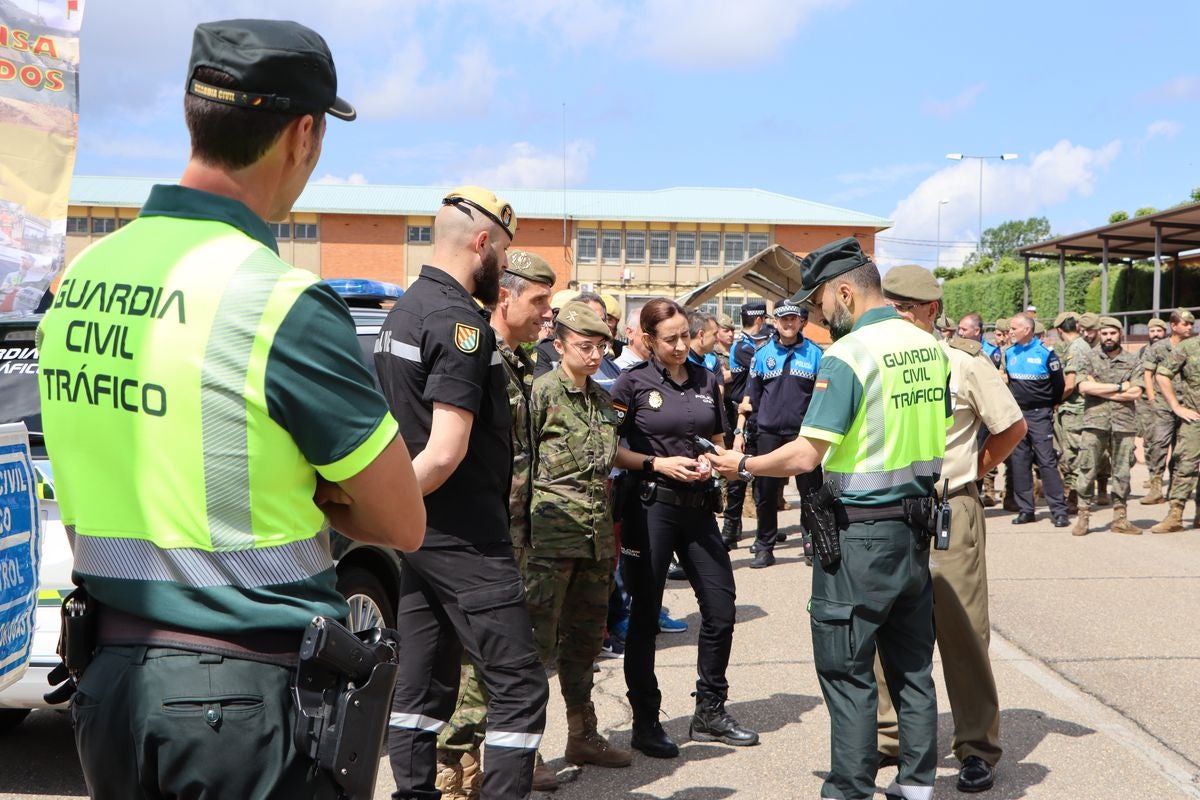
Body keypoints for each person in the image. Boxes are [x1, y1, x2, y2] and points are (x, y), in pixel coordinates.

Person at [37, 19, 425, 798]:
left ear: (193, 114)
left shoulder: (80, 280)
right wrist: (327, 496)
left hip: (109, 685)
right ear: (304, 135)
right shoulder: (278, 299)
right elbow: (401, 521)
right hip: (243, 705)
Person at [710, 238, 952, 800]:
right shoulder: (928, 346)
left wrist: (740, 463)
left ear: (846, 290)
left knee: (847, 672)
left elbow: (805, 454)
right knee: (913, 668)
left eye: (821, 302)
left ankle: (849, 788)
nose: (819, 314)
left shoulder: (848, 355)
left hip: (860, 535)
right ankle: (916, 786)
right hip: (913, 530)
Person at [377, 186, 549, 800]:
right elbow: (445, 451)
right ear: (483, 243)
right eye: (502, 251)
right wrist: (382, 508)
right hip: (464, 537)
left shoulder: (403, 311)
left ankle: (413, 793)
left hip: (422, 535)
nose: (502, 265)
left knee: (423, 684)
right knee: (520, 688)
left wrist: (392, 513)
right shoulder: (459, 323)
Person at [875, 265, 1026, 794]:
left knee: (961, 630)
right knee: (884, 625)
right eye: (887, 307)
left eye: (902, 310)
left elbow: (1011, 427)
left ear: (930, 312)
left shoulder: (962, 364)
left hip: (946, 510)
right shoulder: (875, 356)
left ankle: (976, 747)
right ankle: (889, 737)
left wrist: (970, 474)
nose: (891, 318)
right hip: (887, 509)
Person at [611, 298, 758, 759]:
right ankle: (646, 720)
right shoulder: (630, 383)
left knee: (720, 607)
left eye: (683, 336)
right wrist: (657, 462)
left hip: (697, 507)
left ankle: (710, 709)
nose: (678, 346)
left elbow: (714, 442)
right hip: (649, 507)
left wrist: (715, 464)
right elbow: (612, 450)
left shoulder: (706, 380)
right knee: (645, 617)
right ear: (648, 339)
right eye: (668, 338)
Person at [433, 250, 555, 799]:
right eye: (539, 301)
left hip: (516, 532)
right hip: (477, 534)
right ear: (504, 296)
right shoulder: (476, 354)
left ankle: (490, 756)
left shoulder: (524, 362)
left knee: (500, 660)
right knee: (474, 658)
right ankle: (454, 766)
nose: (547, 314)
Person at [525, 301, 633, 774]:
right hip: (547, 544)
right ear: (559, 344)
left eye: (600, 347)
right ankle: (522, 754)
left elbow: (606, 464)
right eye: (584, 347)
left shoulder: (600, 400)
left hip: (594, 542)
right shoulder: (540, 393)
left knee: (585, 644)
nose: (594, 356)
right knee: (535, 651)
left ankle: (582, 736)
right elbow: (519, 469)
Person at [738, 298, 823, 568]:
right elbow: (753, 395)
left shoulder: (816, 353)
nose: (788, 323)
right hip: (769, 434)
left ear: (800, 321)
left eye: (793, 318)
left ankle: (811, 544)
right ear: (775, 321)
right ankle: (765, 546)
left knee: (810, 492)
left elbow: (821, 396)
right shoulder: (762, 354)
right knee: (765, 492)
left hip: (803, 435)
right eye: (783, 318)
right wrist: (748, 429)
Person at [1073, 317, 1144, 536]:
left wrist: (1100, 387)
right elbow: (1084, 386)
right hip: (1094, 421)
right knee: (1087, 468)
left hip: (1124, 423)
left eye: (1112, 333)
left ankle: (1120, 518)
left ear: (1120, 334)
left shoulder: (1132, 360)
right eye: (1104, 334)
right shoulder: (1089, 357)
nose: (1108, 337)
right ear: (1099, 335)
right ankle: (1083, 515)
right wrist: (1119, 387)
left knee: (1122, 471)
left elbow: (1137, 391)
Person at [1005, 313, 1071, 527]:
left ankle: (1059, 511)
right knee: (1019, 461)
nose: (1010, 331)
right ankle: (1026, 509)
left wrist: (1048, 405)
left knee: (1046, 461)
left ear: (1027, 330)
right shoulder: (1009, 353)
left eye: (1014, 328)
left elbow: (1058, 384)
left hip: (1040, 414)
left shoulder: (1046, 354)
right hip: (1017, 415)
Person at [721, 300, 769, 547]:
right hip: (740, 416)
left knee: (762, 475)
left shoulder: (757, 344)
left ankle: (764, 530)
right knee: (738, 473)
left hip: (759, 415)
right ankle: (730, 529)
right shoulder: (744, 347)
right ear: (759, 320)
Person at [1140, 309, 1195, 505]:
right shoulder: (1159, 347)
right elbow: (1148, 373)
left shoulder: (1193, 346)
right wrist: (1152, 398)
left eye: (1191, 324)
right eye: (1185, 324)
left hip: (1187, 404)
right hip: (1163, 404)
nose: (1189, 327)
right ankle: (1156, 488)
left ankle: (1175, 488)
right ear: (1174, 325)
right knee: (1159, 445)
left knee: (1181, 449)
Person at [1149, 325, 1200, 532]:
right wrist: (1176, 407)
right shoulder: (1189, 347)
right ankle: (1175, 515)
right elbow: (1162, 375)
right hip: (1195, 418)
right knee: (1185, 465)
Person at [1055, 313, 1091, 514]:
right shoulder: (1083, 344)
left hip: (1074, 407)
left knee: (1072, 454)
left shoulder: (1075, 348)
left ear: (1060, 330)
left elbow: (1069, 383)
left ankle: (1075, 496)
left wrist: (1056, 400)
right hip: (1080, 406)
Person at [1137, 318, 1168, 490]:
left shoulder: (1172, 349)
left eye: (1159, 331)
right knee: (1148, 440)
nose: (1155, 334)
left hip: (1167, 400)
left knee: (1164, 441)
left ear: (1165, 331)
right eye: (1152, 331)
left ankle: (1163, 475)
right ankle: (1152, 476)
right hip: (1146, 403)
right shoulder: (1142, 351)